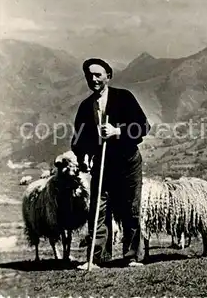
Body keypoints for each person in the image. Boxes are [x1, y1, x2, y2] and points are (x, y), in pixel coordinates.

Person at [71, 58, 150, 269]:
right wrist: (83, 157)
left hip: (127, 161)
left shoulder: (123, 98)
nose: (93, 79)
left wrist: (118, 132)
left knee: (131, 209)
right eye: (89, 75)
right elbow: (79, 139)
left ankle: (132, 256)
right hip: (103, 165)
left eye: (98, 75)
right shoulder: (86, 107)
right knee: (98, 208)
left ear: (108, 76)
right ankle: (96, 258)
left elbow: (143, 126)